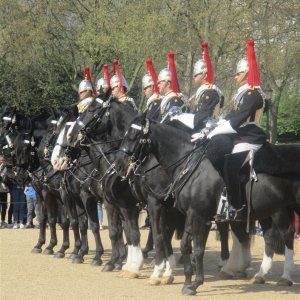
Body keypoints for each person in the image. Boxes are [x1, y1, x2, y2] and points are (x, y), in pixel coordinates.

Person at [207, 40, 266, 221]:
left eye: (238, 73)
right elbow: (231, 116)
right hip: (241, 137)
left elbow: (238, 121)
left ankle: (236, 207)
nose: (235, 76)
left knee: (231, 166)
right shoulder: (241, 94)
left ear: (247, 73)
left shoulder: (253, 94)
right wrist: (212, 127)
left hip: (251, 138)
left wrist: (215, 132)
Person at [157, 52, 185, 121]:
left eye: (160, 82)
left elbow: (172, 122)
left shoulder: (174, 100)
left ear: (168, 84)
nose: (158, 85)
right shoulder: (167, 100)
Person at [0, 154, 9, 228]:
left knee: (4, 206)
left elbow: (6, 177)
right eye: (0, 160)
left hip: (4, 190)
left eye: (2, 160)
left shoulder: (6, 168)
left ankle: (3, 220)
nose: (1, 161)